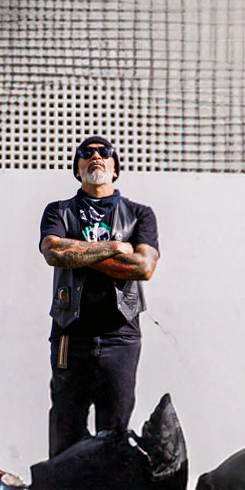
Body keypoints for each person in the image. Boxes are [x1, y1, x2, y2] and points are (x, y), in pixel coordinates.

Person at [39, 136, 159, 458]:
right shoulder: (59, 212)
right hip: (68, 335)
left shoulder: (139, 214)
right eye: (86, 153)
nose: (95, 156)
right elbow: (53, 252)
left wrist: (77, 250)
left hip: (120, 337)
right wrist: (113, 249)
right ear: (77, 169)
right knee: (65, 424)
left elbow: (143, 267)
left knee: (115, 431)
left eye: (104, 153)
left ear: (115, 168)